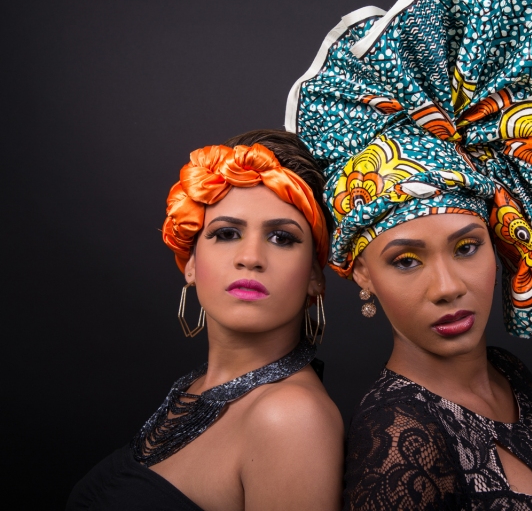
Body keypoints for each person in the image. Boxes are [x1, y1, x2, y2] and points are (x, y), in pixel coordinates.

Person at [286, 0, 532, 508]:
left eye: (466, 247)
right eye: (405, 260)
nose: (448, 287)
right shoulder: (400, 440)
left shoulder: (507, 376)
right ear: (360, 272)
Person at [67, 130, 344, 510]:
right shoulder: (198, 386)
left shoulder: (290, 418)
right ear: (192, 262)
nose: (251, 257)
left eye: (282, 238)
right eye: (227, 233)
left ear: (315, 274)